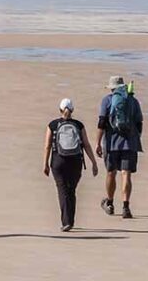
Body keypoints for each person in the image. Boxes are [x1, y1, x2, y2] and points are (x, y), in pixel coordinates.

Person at [43, 98, 99, 232]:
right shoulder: (79, 125)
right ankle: (70, 221)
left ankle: (66, 222)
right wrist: (94, 162)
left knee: (62, 190)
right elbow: (86, 145)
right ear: (72, 110)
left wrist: (45, 164)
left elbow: (47, 146)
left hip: (58, 161)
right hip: (76, 161)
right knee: (71, 190)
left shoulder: (53, 124)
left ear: (60, 110)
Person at [95, 76, 143, 219]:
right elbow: (139, 123)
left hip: (111, 143)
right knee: (126, 174)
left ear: (112, 88)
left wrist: (97, 142)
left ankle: (109, 203)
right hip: (130, 143)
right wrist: (136, 137)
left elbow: (102, 122)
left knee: (111, 173)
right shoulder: (133, 101)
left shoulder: (107, 101)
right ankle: (126, 207)